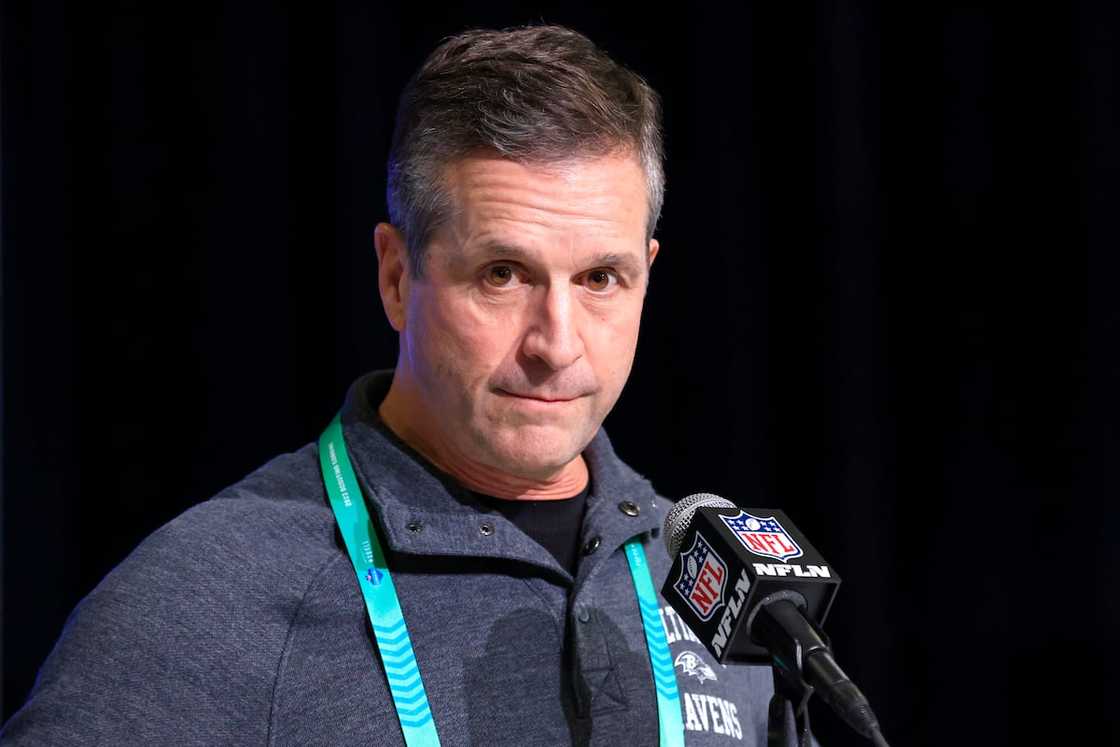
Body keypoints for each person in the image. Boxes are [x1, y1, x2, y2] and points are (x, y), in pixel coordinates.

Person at [1, 24, 794, 745]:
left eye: (600, 278)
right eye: (503, 273)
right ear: (394, 275)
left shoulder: (709, 577)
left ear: (646, 277)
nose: (557, 344)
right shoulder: (200, 602)